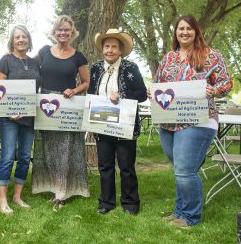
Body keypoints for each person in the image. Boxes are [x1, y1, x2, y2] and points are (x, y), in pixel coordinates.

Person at [153, 15, 232, 228]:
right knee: (180, 168)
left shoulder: (211, 55)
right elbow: (158, 84)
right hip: (169, 121)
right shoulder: (168, 58)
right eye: (181, 29)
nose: (184, 32)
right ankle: (179, 212)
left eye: (189, 28)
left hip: (199, 120)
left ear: (196, 31)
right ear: (175, 32)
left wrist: (213, 90)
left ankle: (191, 217)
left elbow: (226, 83)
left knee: (185, 170)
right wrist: (153, 94)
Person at [32, 15, 90, 209]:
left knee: (65, 149)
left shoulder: (78, 56)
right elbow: (30, 68)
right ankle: (53, 186)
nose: (63, 33)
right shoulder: (44, 52)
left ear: (72, 33)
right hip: (46, 107)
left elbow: (86, 82)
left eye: (67, 30)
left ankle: (62, 192)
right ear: (54, 32)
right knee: (49, 148)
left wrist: (74, 90)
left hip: (67, 107)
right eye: (59, 30)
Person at [88, 29, 147, 215]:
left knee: (126, 166)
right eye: (107, 46)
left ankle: (130, 203)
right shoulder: (96, 68)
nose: (110, 50)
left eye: (114, 46)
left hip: (124, 125)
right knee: (105, 165)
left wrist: (122, 95)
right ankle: (106, 202)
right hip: (102, 123)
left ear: (121, 50)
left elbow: (143, 95)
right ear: (102, 49)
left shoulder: (131, 68)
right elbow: (91, 93)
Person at [0, 25, 41, 215]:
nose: (21, 40)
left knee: (23, 157)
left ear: (28, 40)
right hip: (10, 118)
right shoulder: (5, 60)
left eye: (24, 37)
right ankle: (3, 199)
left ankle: (17, 196)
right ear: (12, 41)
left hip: (30, 117)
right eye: (17, 37)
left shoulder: (35, 63)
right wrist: (9, 111)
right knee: (7, 157)